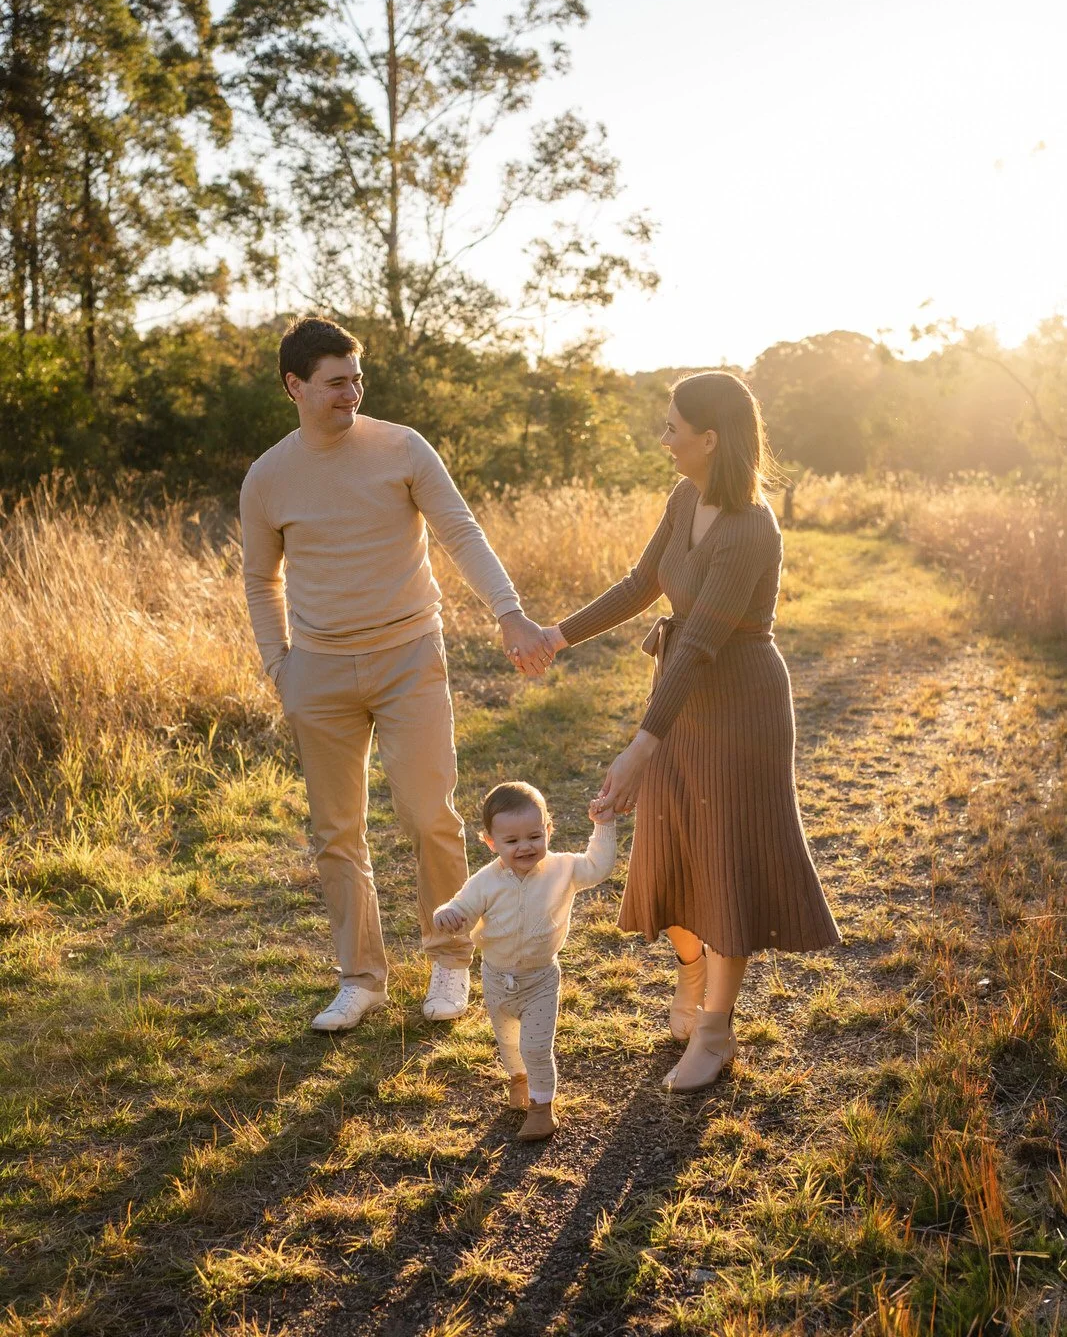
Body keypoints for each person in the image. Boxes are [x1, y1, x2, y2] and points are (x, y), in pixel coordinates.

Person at [240, 315, 553, 1033]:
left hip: (409, 655)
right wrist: (278, 666)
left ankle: (449, 961)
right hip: (317, 672)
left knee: (427, 815)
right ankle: (360, 979)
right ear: (294, 386)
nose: (351, 394)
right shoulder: (267, 477)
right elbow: (261, 582)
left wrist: (509, 612)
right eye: (334, 383)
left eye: (357, 379)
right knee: (335, 833)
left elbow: (461, 533)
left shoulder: (402, 448)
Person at [540, 371, 841, 1092]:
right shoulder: (683, 497)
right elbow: (640, 584)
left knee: (724, 857)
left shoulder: (750, 527)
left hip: (739, 703)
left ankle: (715, 1031)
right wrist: (556, 636)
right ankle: (690, 974)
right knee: (671, 844)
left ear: (710, 438)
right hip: (679, 695)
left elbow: (704, 641)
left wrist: (641, 744)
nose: (663, 437)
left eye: (672, 426)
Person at [433, 781, 616, 1139]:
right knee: (509, 1045)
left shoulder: (562, 869)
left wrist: (603, 824)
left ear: (548, 830)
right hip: (496, 978)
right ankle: (519, 1081)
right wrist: (447, 914)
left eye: (534, 836)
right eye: (511, 841)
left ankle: (542, 1108)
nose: (525, 847)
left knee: (535, 1046)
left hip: (540, 979)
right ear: (491, 842)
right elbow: (461, 907)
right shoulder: (485, 881)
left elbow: (599, 866)